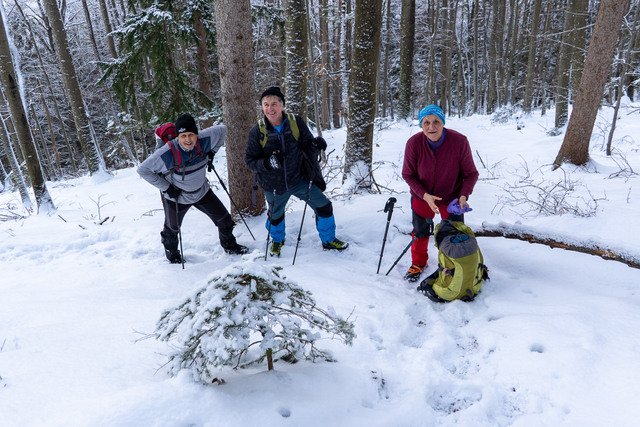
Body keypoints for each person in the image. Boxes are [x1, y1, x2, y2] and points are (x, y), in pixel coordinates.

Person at [245, 86, 348, 257]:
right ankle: (277, 241)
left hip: (299, 179)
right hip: (273, 185)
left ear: (282, 105)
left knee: (324, 206)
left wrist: (315, 144)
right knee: (275, 217)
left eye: (274, 104)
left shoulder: (295, 122)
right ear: (262, 107)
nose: (270, 109)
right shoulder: (258, 131)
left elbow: (307, 145)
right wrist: (267, 164)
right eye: (266, 105)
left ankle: (329, 240)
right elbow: (250, 161)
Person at [138, 113, 248, 263]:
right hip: (177, 197)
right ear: (177, 137)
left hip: (202, 192)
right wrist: (167, 188)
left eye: (191, 135)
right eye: (183, 136)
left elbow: (223, 129)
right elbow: (143, 170)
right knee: (172, 229)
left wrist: (211, 153)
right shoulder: (167, 153)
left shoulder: (204, 139)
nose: (188, 140)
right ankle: (173, 257)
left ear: (197, 134)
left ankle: (230, 247)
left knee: (225, 220)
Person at [401, 104, 479, 282]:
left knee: (453, 233)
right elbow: (408, 174)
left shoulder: (459, 141)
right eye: (426, 122)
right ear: (421, 125)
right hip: (422, 197)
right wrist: (425, 195)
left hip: (451, 198)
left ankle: (452, 266)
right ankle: (418, 263)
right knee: (420, 231)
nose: (431, 127)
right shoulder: (414, 143)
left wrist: (463, 195)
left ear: (443, 122)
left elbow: (471, 174)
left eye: (436, 121)